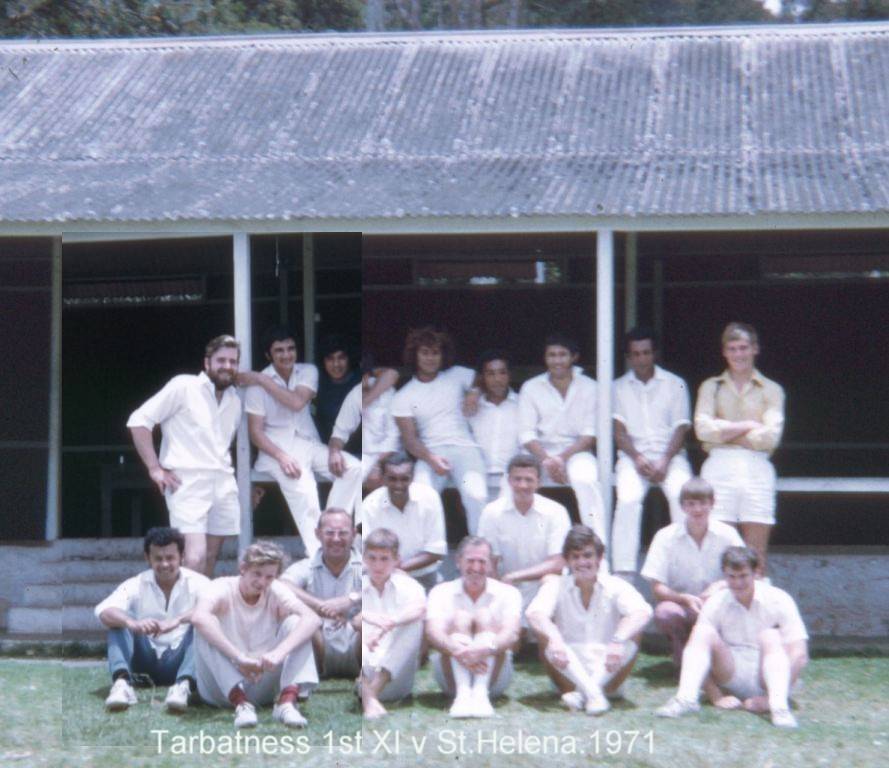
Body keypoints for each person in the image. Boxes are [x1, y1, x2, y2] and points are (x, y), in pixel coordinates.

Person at [242, 325, 361, 558]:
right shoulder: (255, 388)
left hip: (308, 443)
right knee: (305, 491)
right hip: (275, 451)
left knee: (354, 468)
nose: (286, 355)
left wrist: (260, 378)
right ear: (268, 355)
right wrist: (281, 457)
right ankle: (319, 553)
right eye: (279, 350)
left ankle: (329, 530)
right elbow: (255, 433)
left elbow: (297, 402)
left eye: (290, 348)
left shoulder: (307, 371)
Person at [657, 546, 809, 729]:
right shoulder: (716, 602)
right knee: (702, 632)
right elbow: (697, 647)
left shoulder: (779, 599)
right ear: (724, 575)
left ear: (756, 573)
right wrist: (716, 696)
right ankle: (685, 699)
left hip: (770, 675)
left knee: (770, 635)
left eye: (743, 576)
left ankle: (779, 708)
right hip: (730, 671)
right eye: (731, 576)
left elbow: (799, 654)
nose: (738, 583)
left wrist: (769, 699)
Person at [127, 335, 242, 576]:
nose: (227, 366)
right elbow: (138, 421)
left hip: (223, 482)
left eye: (233, 361)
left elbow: (224, 447)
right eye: (221, 360)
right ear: (207, 362)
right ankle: (179, 602)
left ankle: (197, 602)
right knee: (194, 557)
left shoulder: (234, 399)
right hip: (187, 481)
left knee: (210, 558)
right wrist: (154, 468)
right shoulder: (184, 386)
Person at [191, 540, 320, 729]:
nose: (262, 582)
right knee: (206, 625)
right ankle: (241, 704)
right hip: (220, 686)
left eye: (269, 577)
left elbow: (312, 619)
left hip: (260, 679)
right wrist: (239, 658)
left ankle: (286, 702)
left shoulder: (275, 589)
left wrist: (278, 654)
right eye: (257, 574)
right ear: (243, 568)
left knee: (296, 623)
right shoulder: (220, 587)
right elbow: (198, 617)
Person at [526, 526, 652, 715]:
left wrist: (617, 641)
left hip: (607, 669)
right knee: (545, 634)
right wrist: (555, 638)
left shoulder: (616, 585)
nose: (582, 562)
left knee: (633, 631)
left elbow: (642, 612)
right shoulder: (556, 585)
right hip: (568, 670)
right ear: (568, 561)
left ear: (599, 558)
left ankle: (585, 693)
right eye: (575, 557)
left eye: (587, 555)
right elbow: (534, 614)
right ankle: (593, 694)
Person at [694, 322, 785, 574]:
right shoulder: (711, 386)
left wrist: (724, 432)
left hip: (757, 466)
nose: (738, 354)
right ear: (725, 352)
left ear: (755, 349)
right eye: (732, 349)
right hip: (719, 466)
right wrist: (747, 425)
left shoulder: (772, 389)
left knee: (756, 554)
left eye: (743, 348)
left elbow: (771, 437)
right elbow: (702, 430)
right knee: (719, 549)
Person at [96, 527, 209, 713]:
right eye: (158, 558)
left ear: (182, 557)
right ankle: (122, 684)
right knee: (119, 620)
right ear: (147, 558)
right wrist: (133, 623)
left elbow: (217, 608)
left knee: (203, 621)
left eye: (170, 558)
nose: (164, 564)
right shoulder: (136, 583)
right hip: (144, 661)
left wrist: (178, 620)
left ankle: (183, 686)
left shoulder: (199, 582)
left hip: (180, 660)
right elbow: (103, 610)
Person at [611, 327, 692, 576]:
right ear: (628, 357)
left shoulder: (675, 383)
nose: (641, 359)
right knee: (628, 499)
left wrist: (665, 460)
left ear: (654, 353)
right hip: (632, 457)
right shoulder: (617, 387)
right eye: (636, 354)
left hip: (671, 456)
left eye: (646, 352)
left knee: (682, 495)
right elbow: (618, 431)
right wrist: (637, 457)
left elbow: (681, 427)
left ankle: (684, 568)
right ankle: (624, 572)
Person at [391, 326, 488, 535]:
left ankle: (481, 549)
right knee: (421, 497)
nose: (430, 358)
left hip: (465, 450)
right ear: (415, 355)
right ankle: (429, 551)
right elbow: (410, 441)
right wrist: (431, 458)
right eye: (425, 352)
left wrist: (474, 391)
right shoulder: (403, 396)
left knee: (476, 495)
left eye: (435, 352)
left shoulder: (457, 374)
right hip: (430, 453)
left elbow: (480, 378)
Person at [640, 477, 744, 668]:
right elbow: (657, 587)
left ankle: (722, 656)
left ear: (712, 503)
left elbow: (744, 573)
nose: (697, 509)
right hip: (682, 607)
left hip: (719, 606)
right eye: (691, 504)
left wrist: (719, 586)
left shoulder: (728, 535)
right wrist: (683, 599)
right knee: (665, 613)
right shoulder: (665, 537)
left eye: (703, 503)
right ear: (682, 506)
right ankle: (682, 656)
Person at [518, 334, 607, 543]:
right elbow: (526, 434)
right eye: (552, 355)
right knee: (515, 481)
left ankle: (597, 547)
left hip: (576, 452)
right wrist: (548, 460)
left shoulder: (590, 387)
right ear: (545, 358)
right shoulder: (531, 387)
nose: (557, 360)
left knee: (586, 480)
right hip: (539, 452)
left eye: (562, 355)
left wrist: (560, 459)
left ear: (574, 357)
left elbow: (589, 435)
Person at [425, 536, 522, 718]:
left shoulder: (509, 593)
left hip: (495, 677)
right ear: (458, 561)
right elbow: (433, 632)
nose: (476, 568)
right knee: (460, 619)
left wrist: (486, 649)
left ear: (491, 564)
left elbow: (512, 633)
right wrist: (457, 650)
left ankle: (480, 694)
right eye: (470, 561)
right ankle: (462, 695)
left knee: (485, 617)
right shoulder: (440, 592)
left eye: (482, 562)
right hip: (450, 678)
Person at [477, 453, 571, 614]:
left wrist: (515, 576)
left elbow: (558, 563)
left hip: (543, 588)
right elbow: (489, 561)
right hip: (505, 588)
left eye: (529, 480)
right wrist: (500, 591)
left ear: (539, 482)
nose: (522, 485)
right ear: (509, 480)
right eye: (517, 479)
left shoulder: (556, 512)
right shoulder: (492, 512)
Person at [279, 508, 362, 679]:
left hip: (359, 646)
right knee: (296, 619)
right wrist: (320, 606)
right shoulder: (306, 566)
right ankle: (304, 677)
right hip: (318, 646)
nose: (336, 539)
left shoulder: (367, 564)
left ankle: (367, 677)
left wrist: (351, 599)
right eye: (329, 533)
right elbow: (281, 584)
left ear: (354, 534)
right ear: (318, 534)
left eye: (343, 533)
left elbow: (392, 580)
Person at [359, 528, 426, 720]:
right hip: (363, 673)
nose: (377, 565)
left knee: (414, 624)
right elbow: (349, 617)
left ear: (396, 560)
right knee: (355, 628)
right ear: (364, 558)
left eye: (384, 559)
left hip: (395, 676)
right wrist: (368, 618)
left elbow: (420, 608)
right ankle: (369, 697)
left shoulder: (409, 586)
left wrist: (389, 623)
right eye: (372, 558)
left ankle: (370, 696)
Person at [360, 453, 447, 592]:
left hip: (423, 575)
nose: (398, 485)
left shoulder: (430, 498)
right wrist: (391, 570)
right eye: (392, 479)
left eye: (404, 479)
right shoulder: (370, 505)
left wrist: (398, 569)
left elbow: (436, 551)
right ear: (383, 479)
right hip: (383, 577)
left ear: (412, 477)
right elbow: (367, 550)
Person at [467, 350, 520, 497]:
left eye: (502, 373)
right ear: (482, 377)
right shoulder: (471, 407)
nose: (497, 379)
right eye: (490, 374)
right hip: (478, 476)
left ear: (510, 375)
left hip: (512, 478)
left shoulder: (523, 403)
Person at [315, 334, 362, 444]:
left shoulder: (360, 381)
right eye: (330, 358)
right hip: (323, 446)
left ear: (349, 358)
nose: (336, 364)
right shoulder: (318, 381)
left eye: (341, 358)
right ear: (323, 361)